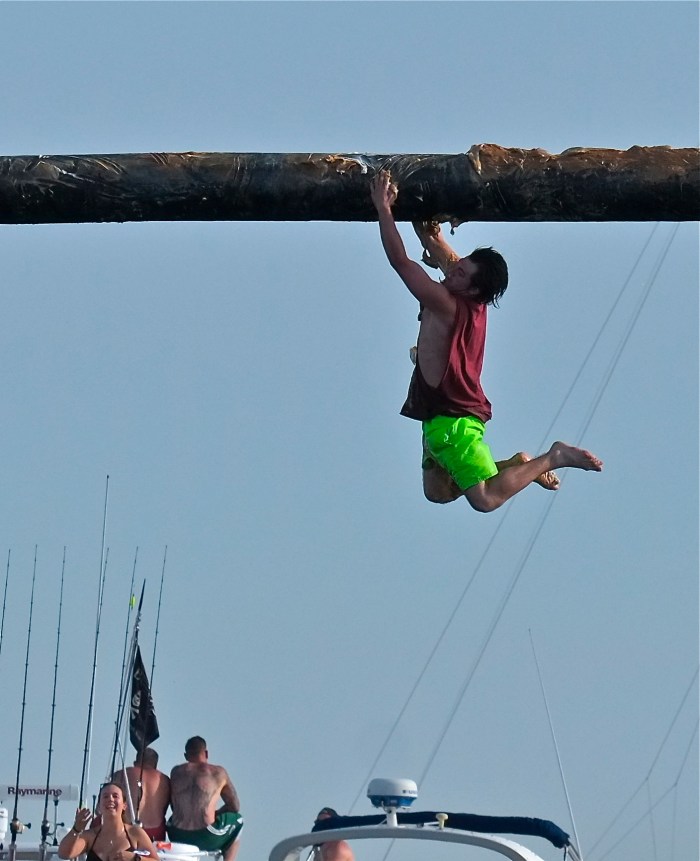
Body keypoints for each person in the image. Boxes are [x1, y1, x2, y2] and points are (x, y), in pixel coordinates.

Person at [369, 170, 603, 513]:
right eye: (459, 265)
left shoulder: (445, 303)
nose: (453, 271)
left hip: (455, 422)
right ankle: (514, 464)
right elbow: (449, 259)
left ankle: (553, 456)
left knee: (485, 499)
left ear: (473, 291)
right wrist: (429, 230)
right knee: (437, 492)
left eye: (461, 274)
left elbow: (400, 262)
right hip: (435, 418)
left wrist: (383, 209)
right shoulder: (471, 298)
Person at [167, 736, 242, 861]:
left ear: (186, 756)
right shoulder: (218, 772)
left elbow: (173, 805)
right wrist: (216, 813)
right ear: (206, 753)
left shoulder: (176, 772)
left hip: (177, 835)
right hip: (205, 835)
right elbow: (234, 806)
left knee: (171, 819)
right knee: (239, 821)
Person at [58, 782, 159, 861]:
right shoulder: (90, 836)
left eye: (115, 796)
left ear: (124, 806)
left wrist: (135, 858)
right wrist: (76, 828)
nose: (110, 799)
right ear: (99, 806)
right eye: (105, 796)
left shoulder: (135, 833)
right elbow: (64, 854)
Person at [112, 747, 171, 841]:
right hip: (155, 831)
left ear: (135, 762)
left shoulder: (122, 774)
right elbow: (165, 807)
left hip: (127, 829)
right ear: (155, 764)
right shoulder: (164, 779)